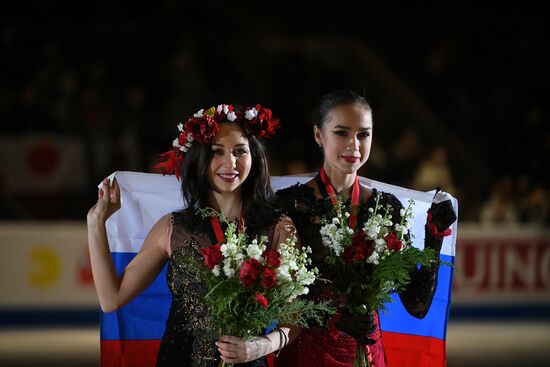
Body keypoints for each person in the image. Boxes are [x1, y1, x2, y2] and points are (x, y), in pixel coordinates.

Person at [87, 104, 298, 367]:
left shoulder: (279, 227)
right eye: (216, 152)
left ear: (254, 156)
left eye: (240, 151)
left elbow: (297, 315)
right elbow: (111, 299)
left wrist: (263, 345)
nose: (230, 163)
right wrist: (95, 223)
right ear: (198, 158)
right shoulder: (173, 228)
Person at [275, 90, 457, 366]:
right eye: (341, 133)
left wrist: (434, 237)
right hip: (308, 357)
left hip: (369, 355)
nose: (354, 145)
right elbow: (275, 300)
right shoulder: (290, 205)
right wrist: (330, 318)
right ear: (318, 136)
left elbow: (416, 305)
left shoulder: (387, 208)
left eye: (363, 134)